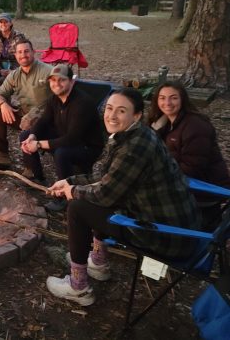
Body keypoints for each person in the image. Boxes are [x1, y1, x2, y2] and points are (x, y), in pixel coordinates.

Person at [45, 88, 200, 306]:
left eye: (121, 111)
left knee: (78, 208)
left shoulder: (135, 146)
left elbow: (105, 194)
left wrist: (72, 192)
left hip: (167, 234)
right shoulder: (130, 134)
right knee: (89, 197)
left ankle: (78, 287)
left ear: (136, 116)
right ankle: (98, 263)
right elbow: (102, 176)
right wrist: (69, 181)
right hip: (168, 222)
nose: (112, 116)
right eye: (109, 108)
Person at [20, 64, 104, 211]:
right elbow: (44, 120)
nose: (56, 84)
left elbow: (72, 138)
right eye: (53, 80)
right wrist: (32, 137)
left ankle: (63, 198)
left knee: (62, 152)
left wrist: (38, 145)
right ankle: (36, 175)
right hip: (66, 137)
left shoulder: (82, 103)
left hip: (87, 147)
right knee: (25, 134)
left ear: (71, 82)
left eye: (61, 80)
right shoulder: (55, 99)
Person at [148, 81, 230, 229]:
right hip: (181, 181)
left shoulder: (195, 126)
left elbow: (193, 167)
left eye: (173, 98)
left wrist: (158, 177)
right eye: (162, 98)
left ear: (182, 100)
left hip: (204, 187)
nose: (167, 102)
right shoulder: (162, 123)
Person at [0, 40, 52, 160]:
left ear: (33, 52)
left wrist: (40, 113)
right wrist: (3, 104)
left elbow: (62, 95)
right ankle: (1, 155)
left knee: (26, 132)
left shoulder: (48, 71)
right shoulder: (14, 75)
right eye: (20, 52)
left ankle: (32, 170)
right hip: (24, 114)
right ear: (15, 55)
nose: (23, 55)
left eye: (26, 51)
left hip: (45, 117)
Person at [0, 13, 27, 84]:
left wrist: (12, 70)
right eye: (1, 22)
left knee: (2, 81)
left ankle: (4, 94)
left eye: (6, 22)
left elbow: (23, 56)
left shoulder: (19, 37)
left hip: (15, 68)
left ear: (10, 23)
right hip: (1, 67)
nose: (3, 24)